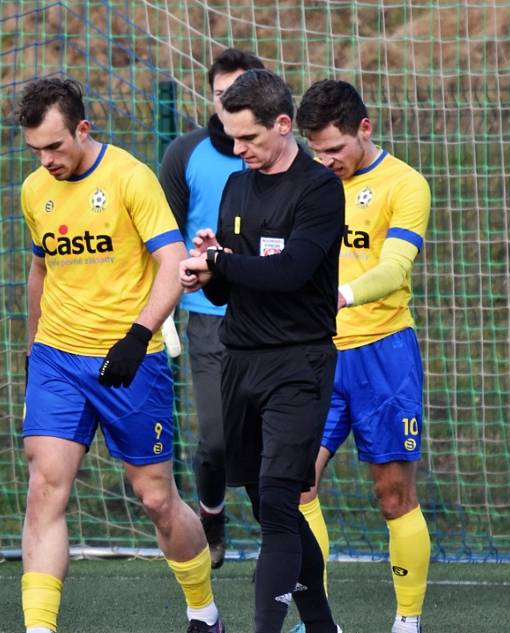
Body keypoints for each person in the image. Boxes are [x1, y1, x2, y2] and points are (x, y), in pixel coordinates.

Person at [18, 77, 223, 633]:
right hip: (59, 359)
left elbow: (173, 261)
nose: (46, 160)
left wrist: (138, 335)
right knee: (45, 487)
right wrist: (35, 347)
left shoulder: (131, 178)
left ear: (83, 129)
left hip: (130, 362)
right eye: (35, 149)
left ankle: (204, 611)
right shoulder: (35, 189)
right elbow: (40, 268)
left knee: (156, 498)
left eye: (55, 146)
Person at [179, 68, 344, 633]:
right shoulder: (235, 185)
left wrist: (223, 261)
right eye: (229, 136)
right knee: (267, 504)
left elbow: (294, 271)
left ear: (282, 124)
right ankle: (323, 627)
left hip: (299, 362)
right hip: (240, 360)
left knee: (278, 500)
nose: (238, 148)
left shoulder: (320, 188)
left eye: (248, 137)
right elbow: (232, 287)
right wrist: (209, 269)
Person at [294, 79, 431, 633]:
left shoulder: (405, 184)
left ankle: (407, 620)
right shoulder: (306, 184)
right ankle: (317, 620)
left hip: (383, 352)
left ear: (364, 130)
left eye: (335, 149)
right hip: (315, 355)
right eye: (316, 150)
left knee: (392, 492)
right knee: (295, 485)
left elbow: (396, 267)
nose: (325, 161)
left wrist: (342, 294)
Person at [159, 47, 265, 569]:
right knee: (218, 439)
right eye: (223, 95)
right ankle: (213, 515)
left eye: (242, 93)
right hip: (207, 317)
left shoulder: (282, 158)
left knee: (274, 442)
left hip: (270, 317)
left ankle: (284, 541)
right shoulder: (185, 154)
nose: (232, 104)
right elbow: (162, 239)